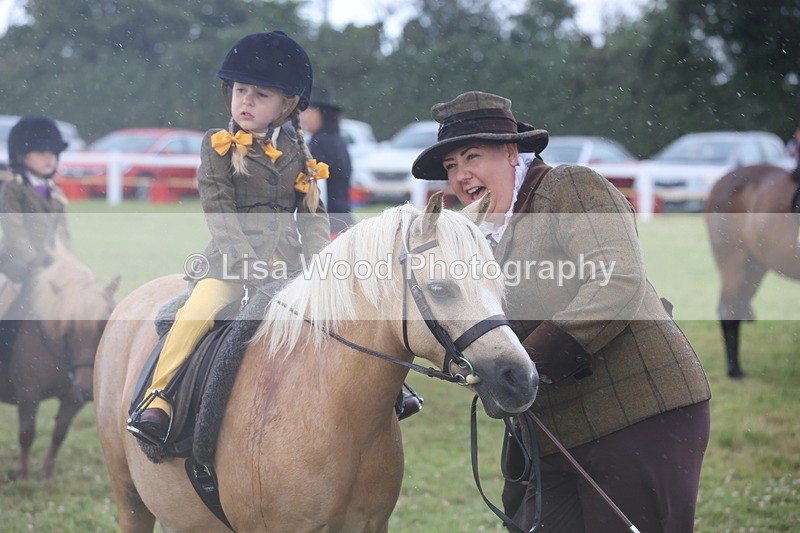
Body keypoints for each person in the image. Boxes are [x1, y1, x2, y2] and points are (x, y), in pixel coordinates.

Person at [412, 91, 712, 532]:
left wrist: (530, 361)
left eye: (472, 156)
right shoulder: (473, 231)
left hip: (638, 411)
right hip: (551, 433)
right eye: (451, 166)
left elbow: (617, 280)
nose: (461, 175)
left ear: (513, 153)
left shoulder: (569, 185)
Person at [127, 31, 332, 443]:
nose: (246, 101)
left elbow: (312, 217)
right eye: (240, 91)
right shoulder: (216, 146)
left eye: (260, 95)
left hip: (287, 264)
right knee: (198, 311)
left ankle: (392, 393)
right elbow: (219, 213)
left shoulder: (298, 152)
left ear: (285, 105)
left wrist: (319, 266)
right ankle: (159, 397)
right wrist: (247, 263)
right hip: (229, 262)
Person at [0, 115, 71, 287]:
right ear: (22, 156)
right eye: (41, 152)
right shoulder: (13, 188)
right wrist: (35, 262)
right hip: (17, 261)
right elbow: (15, 232)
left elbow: (63, 232)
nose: (49, 158)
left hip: (50, 261)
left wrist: (63, 259)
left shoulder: (55, 191)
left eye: (53, 152)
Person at [300, 86, 355, 235]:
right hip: (342, 219)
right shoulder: (336, 140)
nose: (302, 117)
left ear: (318, 112)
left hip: (329, 224)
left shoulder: (320, 142)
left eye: (306, 110)